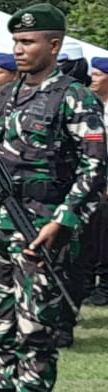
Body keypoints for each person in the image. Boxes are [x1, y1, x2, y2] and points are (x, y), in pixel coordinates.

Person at [0, 4, 106, 392]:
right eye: (16, 42)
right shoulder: (2, 97)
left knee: (36, 328)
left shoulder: (73, 98)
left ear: (53, 45)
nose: (19, 50)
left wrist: (64, 221)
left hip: (41, 228)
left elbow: (95, 168)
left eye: (28, 42)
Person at [82, 57, 108, 308]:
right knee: (89, 238)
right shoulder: (90, 107)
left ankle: (105, 287)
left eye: (98, 75)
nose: (92, 80)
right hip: (92, 184)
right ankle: (88, 284)